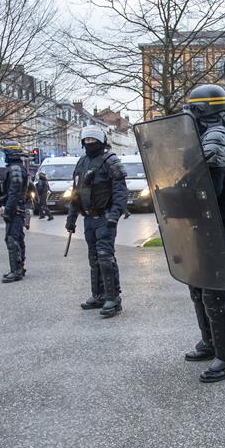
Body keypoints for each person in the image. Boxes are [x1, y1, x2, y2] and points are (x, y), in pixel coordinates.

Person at [179, 84, 225, 382]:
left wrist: (178, 196)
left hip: (224, 222)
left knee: (215, 290)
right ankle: (211, 343)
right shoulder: (206, 135)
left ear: (202, 111)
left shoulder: (217, 136)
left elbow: (210, 188)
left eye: (192, 109)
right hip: (208, 221)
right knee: (199, 286)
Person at [65, 126, 128, 317]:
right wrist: (71, 217)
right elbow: (76, 192)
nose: (90, 143)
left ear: (101, 141)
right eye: (87, 140)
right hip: (89, 218)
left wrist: (114, 214)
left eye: (94, 140)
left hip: (104, 216)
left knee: (105, 256)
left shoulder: (111, 161)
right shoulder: (82, 162)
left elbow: (120, 190)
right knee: (94, 258)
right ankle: (99, 295)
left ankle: (113, 298)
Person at [0, 141, 29, 282]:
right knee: (17, 238)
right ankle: (19, 267)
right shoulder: (15, 168)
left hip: (15, 209)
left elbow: (15, 192)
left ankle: (16, 270)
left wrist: (8, 210)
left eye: (5, 153)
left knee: (12, 238)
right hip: (16, 207)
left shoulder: (15, 169)